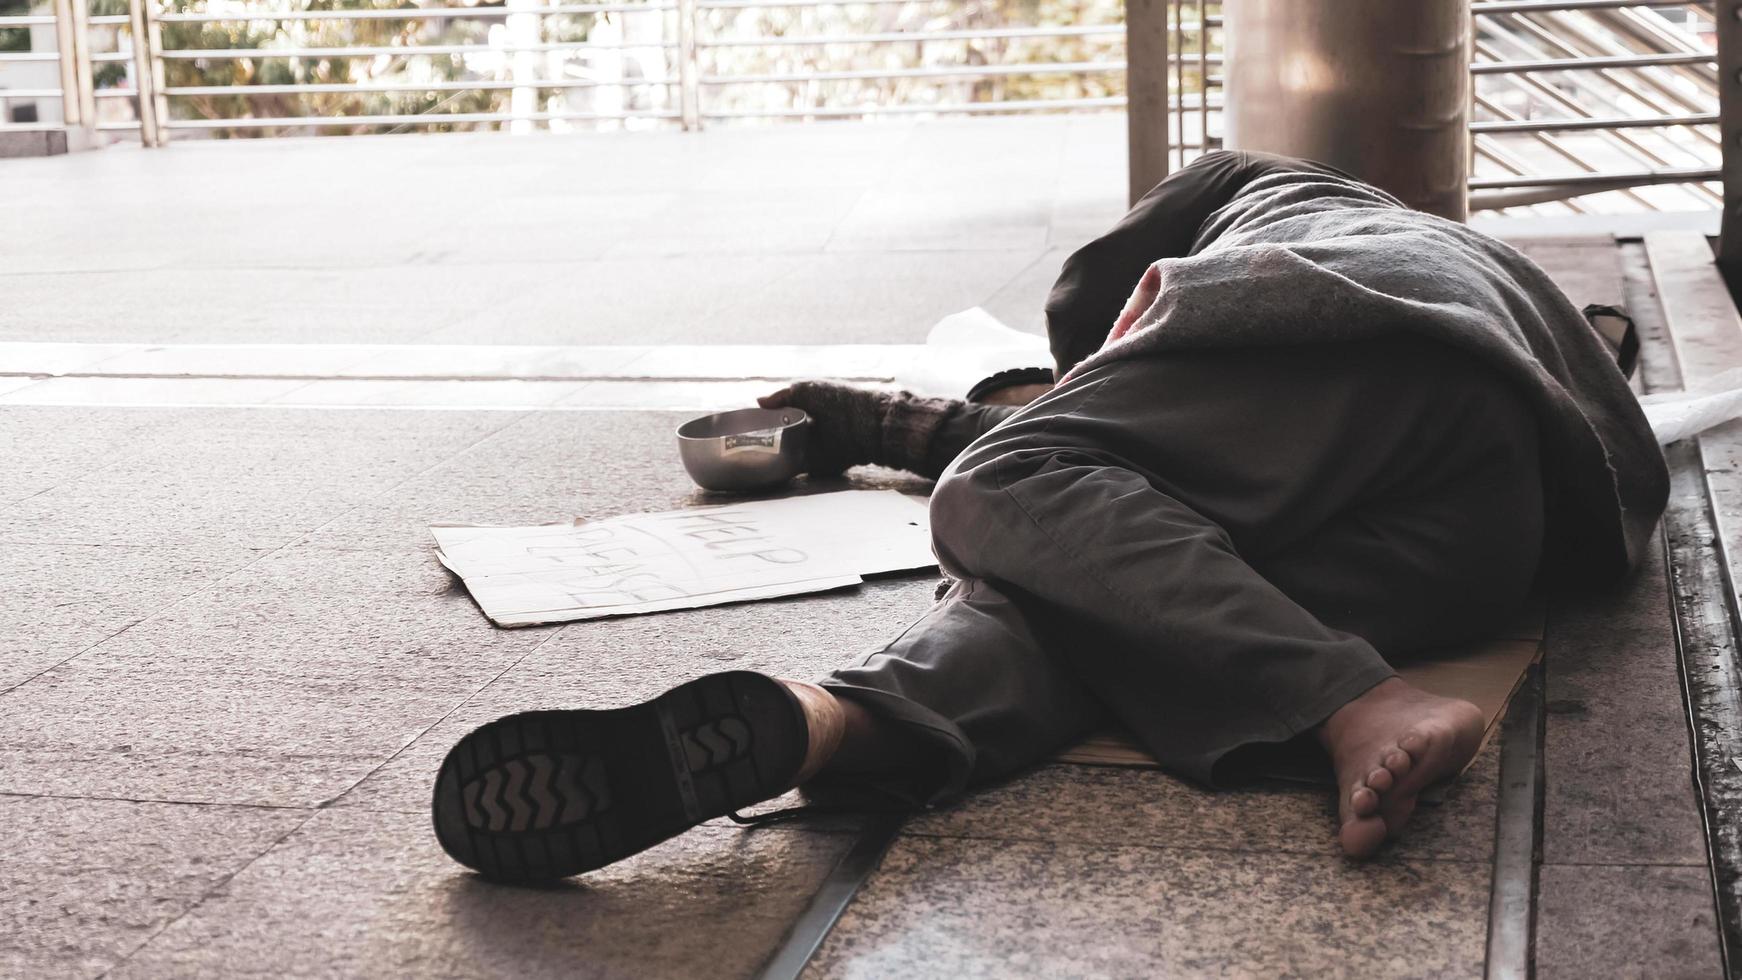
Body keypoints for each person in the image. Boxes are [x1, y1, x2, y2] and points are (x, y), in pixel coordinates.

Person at [429, 151, 1668, 879]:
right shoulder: (1425, 309)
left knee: (1000, 489)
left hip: (1394, 366)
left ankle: (1356, 697)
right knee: (1119, 601)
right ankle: (834, 724)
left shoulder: (1268, 205)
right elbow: (1121, 512)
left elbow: (1070, 360)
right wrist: (878, 426)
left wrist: (1038, 387)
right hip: (1494, 533)